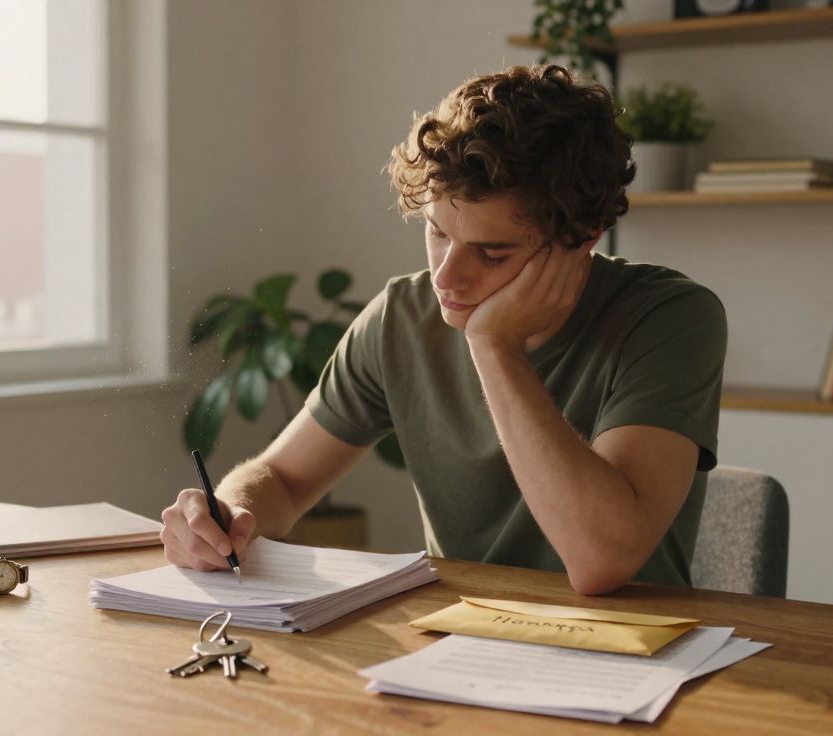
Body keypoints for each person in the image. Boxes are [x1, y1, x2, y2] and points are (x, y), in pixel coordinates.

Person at [160, 64, 727, 595]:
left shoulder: (670, 319)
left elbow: (602, 561)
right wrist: (229, 515)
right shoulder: (400, 318)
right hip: (458, 646)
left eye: (492, 252)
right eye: (436, 233)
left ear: (582, 238)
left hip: (633, 662)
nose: (446, 276)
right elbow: (281, 479)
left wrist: (494, 343)